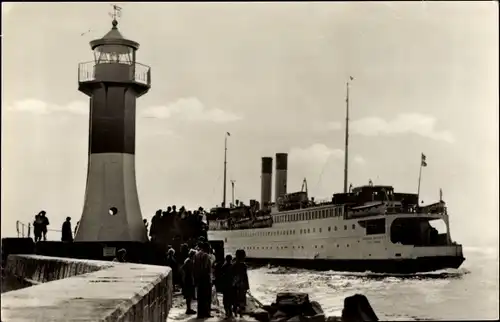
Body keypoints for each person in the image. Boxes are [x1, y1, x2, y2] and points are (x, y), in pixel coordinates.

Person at [193, 242, 213, 318]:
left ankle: (200, 313)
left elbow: (194, 267)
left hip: (198, 279)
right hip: (205, 279)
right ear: (207, 248)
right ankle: (207, 313)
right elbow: (205, 268)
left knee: (200, 297)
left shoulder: (196, 254)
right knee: (207, 297)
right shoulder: (206, 256)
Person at [232, 249, 249, 317]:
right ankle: (241, 314)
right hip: (241, 284)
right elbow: (244, 276)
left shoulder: (233, 265)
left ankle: (235, 313)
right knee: (241, 299)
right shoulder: (243, 265)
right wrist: (246, 286)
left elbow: (233, 275)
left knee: (235, 299)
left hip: (235, 284)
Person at [180, 249, 197, 315]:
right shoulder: (189, 261)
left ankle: (189, 308)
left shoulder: (188, 260)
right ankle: (188, 309)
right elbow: (186, 271)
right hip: (188, 280)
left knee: (189, 296)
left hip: (188, 279)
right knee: (188, 296)